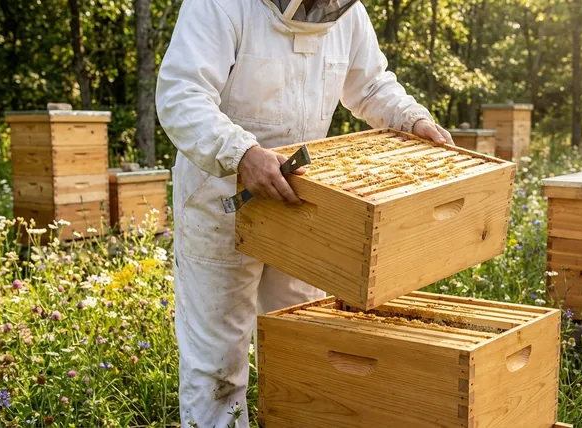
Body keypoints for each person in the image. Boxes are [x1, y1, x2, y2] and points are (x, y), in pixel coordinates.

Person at [155, 0, 453, 426]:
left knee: (305, 344)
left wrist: (409, 118)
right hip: (220, 200)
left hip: (301, 203)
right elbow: (181, 94)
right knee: (217, 361)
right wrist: (240, 153)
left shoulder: (346, 14)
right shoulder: (219, 5)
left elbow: (370, 85)